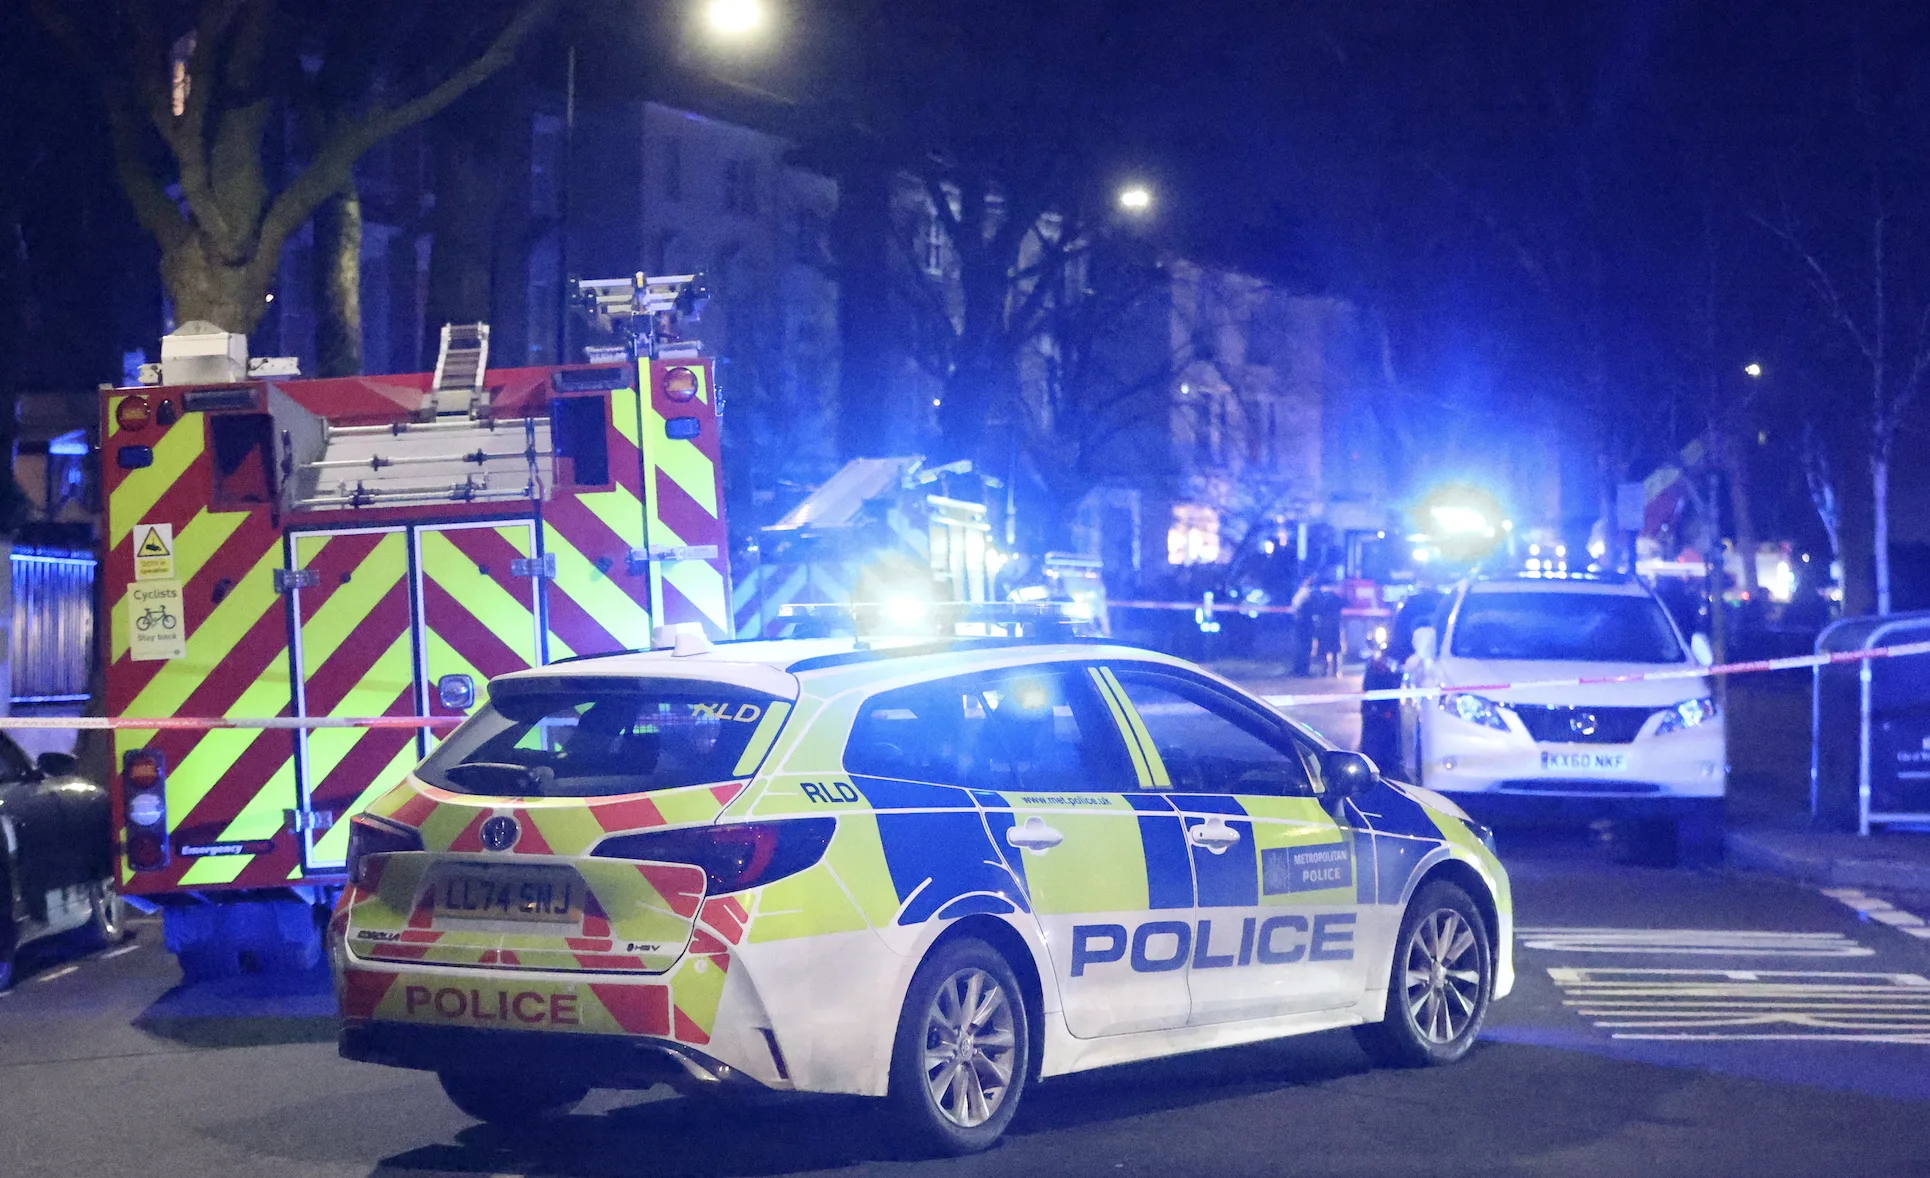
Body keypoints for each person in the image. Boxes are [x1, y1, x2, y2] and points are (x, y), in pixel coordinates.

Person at [1289, 575, 1318, 676]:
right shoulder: (1306, 592)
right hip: (1305, 623)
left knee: (1301, 646)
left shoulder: (1302, 592)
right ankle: (1302, 670)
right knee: (1305, 647)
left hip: (1301, 623)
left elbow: (1294, 607)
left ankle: (1299, 669)